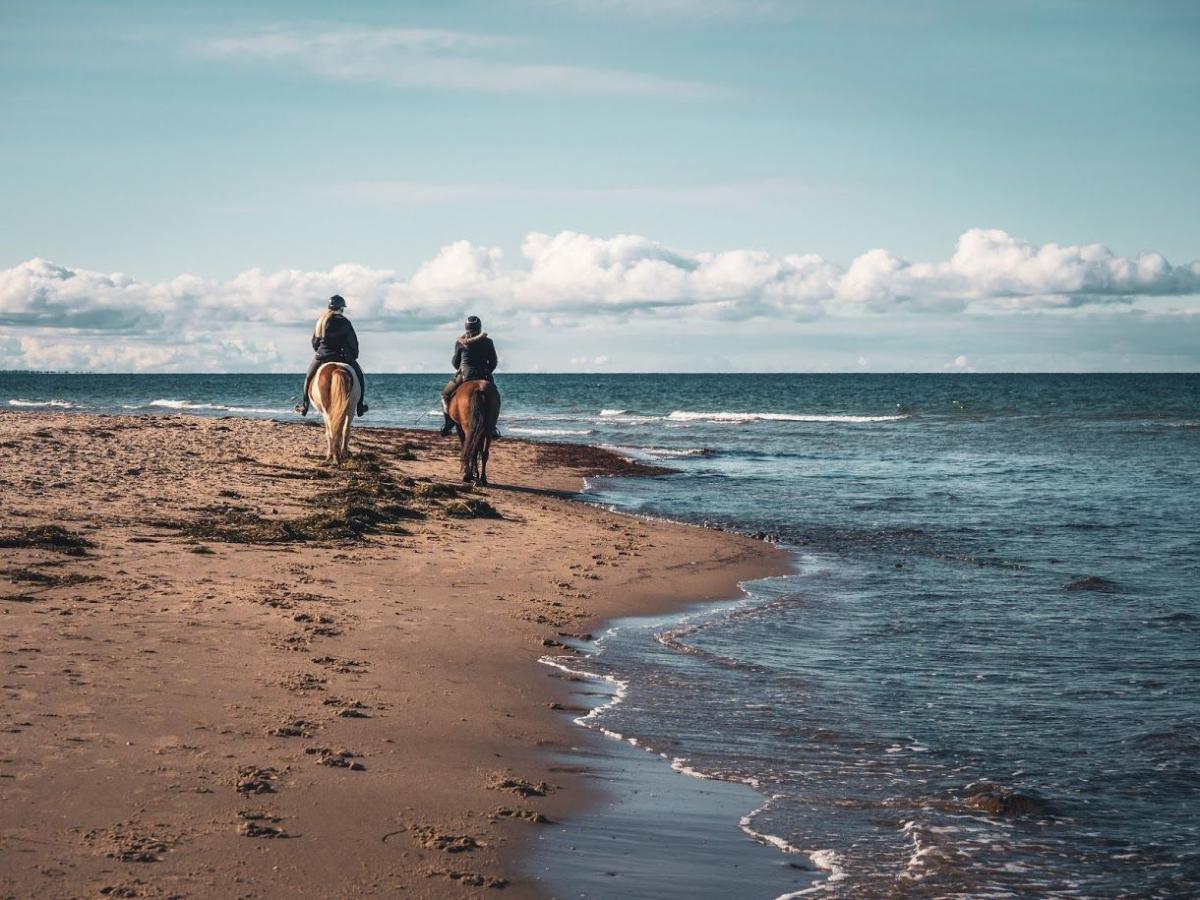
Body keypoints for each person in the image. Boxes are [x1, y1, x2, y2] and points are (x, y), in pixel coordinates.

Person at [294, 295, 368, 418]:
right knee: (359, 376)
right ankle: (360, 406)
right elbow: (353, 342)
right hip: (342, 356)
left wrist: (320, 352)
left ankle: (305, 405)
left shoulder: (321, 321)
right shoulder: (345, 322)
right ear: (341, 308)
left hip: (323, 356)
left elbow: (315, 342)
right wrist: (354, 355)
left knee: (308, 377)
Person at [440, 315, 499, 437]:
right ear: (479, 327)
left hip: (464, 375)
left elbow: (455, 363)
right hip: (485, 376)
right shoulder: (488, 341)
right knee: (495, 396)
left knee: (445, 395)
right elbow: (493, 362)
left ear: (466, 327)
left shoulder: (460, 343)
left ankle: (448, 423)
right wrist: (487, 371)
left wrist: (461, 367)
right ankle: (492, 427)